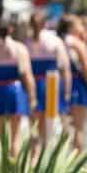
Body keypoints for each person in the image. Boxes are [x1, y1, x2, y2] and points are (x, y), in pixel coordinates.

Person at [0, 17, 35, 157]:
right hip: (14, 90)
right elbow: (27, 75)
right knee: (15, 136)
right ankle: (14, 169)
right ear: (11, 30)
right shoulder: (19, 48)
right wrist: (32, 96)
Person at [26, 11, 71, 148]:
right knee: (52, 120)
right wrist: (67, 91)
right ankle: (50, 151)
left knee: (34, 123)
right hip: (51, 83)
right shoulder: (54, 40)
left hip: (33, 84)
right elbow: (65, 67)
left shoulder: (26, 42)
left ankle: (36, 153)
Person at [57, 15, 87, 153]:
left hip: (58, 83)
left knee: (63, 127)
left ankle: (61, 160)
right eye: (79, 24)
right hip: (77, 83)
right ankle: (77, 161)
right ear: (72, 27)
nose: (82, 27)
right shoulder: (77, 44)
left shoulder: (58, 41)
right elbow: (86, 69)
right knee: (78, 127)